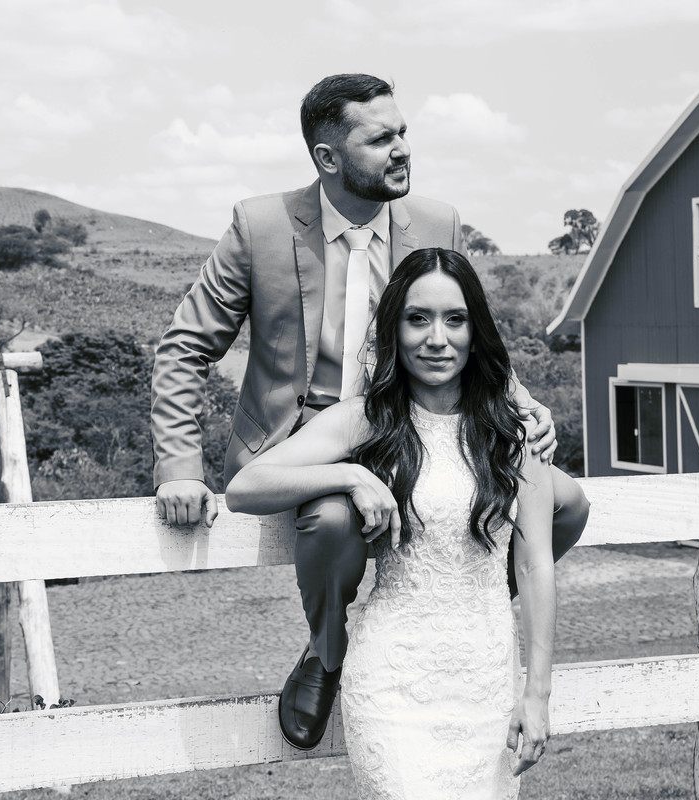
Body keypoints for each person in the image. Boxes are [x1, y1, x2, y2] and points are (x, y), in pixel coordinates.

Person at [150, 73, 587, 750]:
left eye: (403, 132)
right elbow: (184, 348)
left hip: (412, 428)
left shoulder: (437, 222)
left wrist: (526, 406)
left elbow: (464, 332)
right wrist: (180, 468)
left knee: (567, 504)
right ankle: (326, 653)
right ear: (328, 158)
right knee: (332, 521)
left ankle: (460, 613)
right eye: (381, 139)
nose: (402, 148)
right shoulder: (259, 226)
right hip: (305, 444)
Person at [226, 247, 554, 797]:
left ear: (476, 332)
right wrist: (349, 476)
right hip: (392, 683)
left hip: (487, 682)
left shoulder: (517, 432)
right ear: (394, 331)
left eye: (455, 319)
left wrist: (537, 695)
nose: (437, 338)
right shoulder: (368, 419)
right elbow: (244, 487)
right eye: (417, 318)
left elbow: (536, 564)